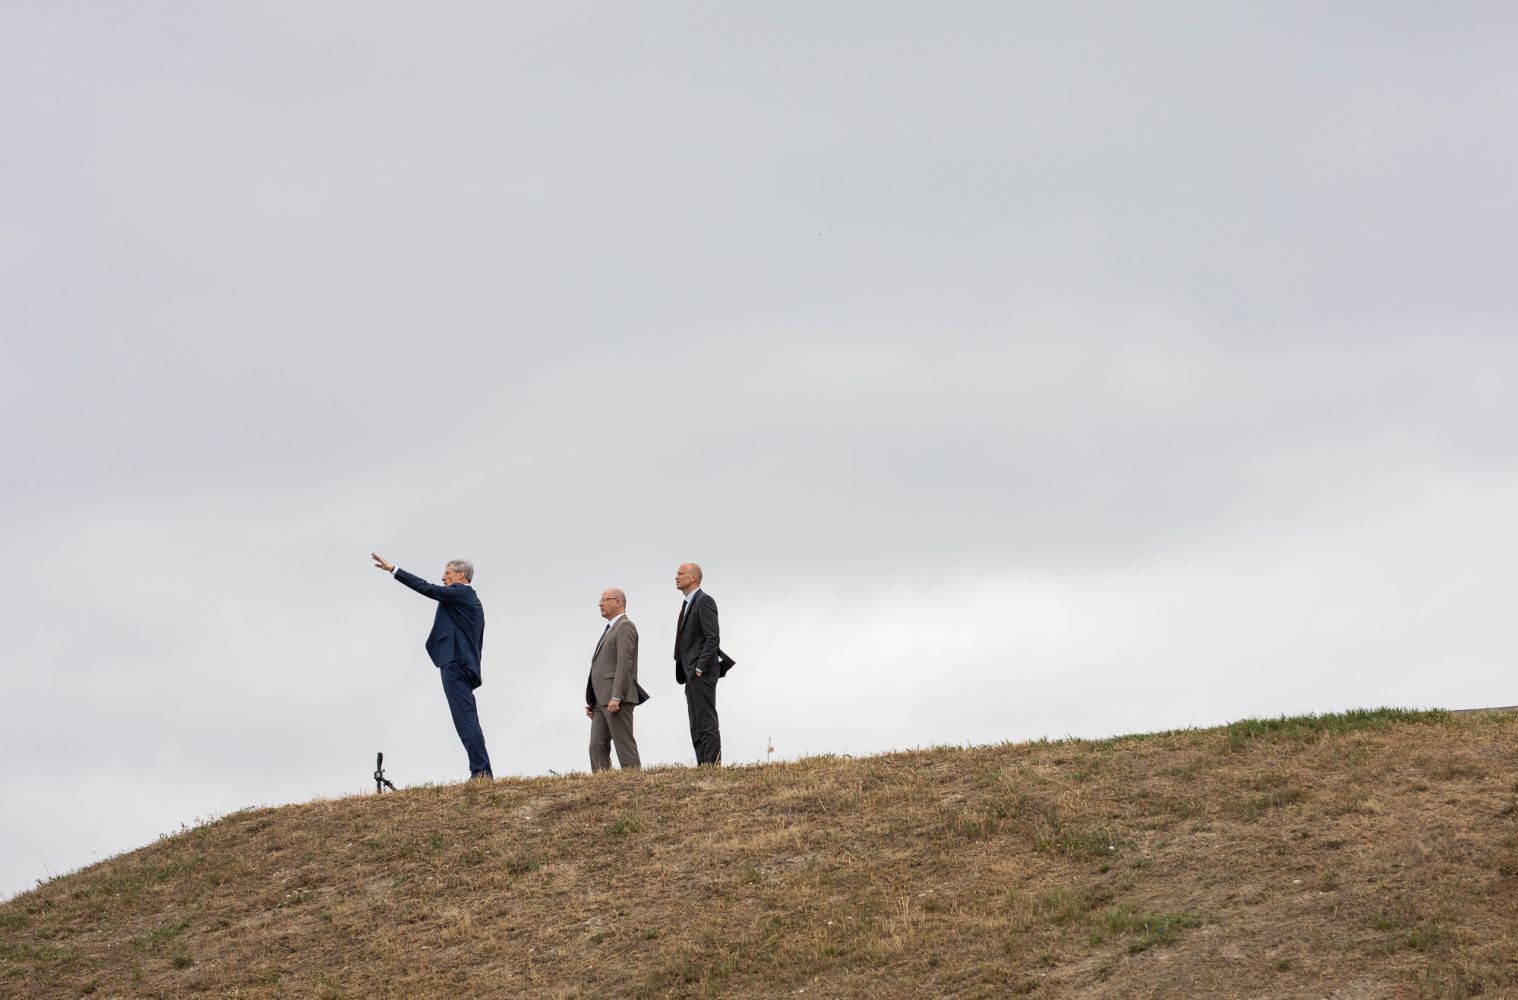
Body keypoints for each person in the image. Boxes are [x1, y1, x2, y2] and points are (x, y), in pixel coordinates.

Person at [371, 552, 492, 780]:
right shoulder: (469, 600)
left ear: (461, 575)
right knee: (468, 718)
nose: (443, 578)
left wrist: (394, 570)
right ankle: (481, 770)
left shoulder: (460, 593)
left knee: (465, 719)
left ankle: (481, 772)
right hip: (464, 663)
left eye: (447, 573)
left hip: (455, 661)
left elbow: (427, 588)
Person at [584, 588, 649, 771]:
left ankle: (634, 782)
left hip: (617, 699)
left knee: (624, 746)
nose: (600, 604)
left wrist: (616, 696)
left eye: (604, 599)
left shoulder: (625, 626)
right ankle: (602, 783)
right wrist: (593, 700)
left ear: (618, 602)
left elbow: (624, 663)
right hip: (600, 702)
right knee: (596, 746)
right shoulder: (610, 629)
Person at [673, 562, 730, 765]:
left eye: (681, 573)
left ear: (693, 577)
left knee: (706, 720)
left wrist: (699, 668)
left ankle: (712, 765)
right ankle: (703, 765)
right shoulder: (688, 603)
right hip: (690, 673)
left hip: (701, 672)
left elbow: (712, 637)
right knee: (696, 722)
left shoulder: (704, 601)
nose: (676, 577)